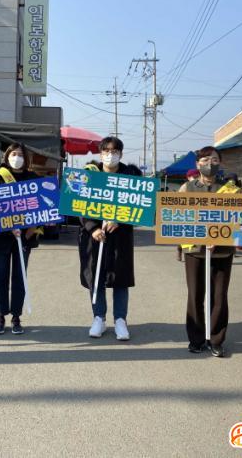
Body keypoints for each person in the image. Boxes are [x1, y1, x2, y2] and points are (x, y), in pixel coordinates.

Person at [79, 136, 141, 341]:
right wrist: (92, 228)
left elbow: (140, 205)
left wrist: (121, 219)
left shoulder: (131, 176)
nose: (110, 155)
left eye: (114, 151)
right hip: (95, 237)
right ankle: (99, 317)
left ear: (121, 154)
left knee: (120, 278)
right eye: (106, 151)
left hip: (120, 236)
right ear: (100, 154)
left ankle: (120, 320)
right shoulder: (89, 175)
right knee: (96, 276)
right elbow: (78, 204)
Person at [179, 146, 237, 357]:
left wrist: (219, 237)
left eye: (213, 159)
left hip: (222, 251)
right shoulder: (186, 188)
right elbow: (178, 217)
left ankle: (216, 340)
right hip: (194, 250)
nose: (209, 164)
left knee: (219, 296)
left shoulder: (231, 190)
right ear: (197, 164)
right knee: (195, 295)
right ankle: (196, 339)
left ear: (220, 163)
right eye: (204, 160)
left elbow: (240, 220)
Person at [0, 143, 41, 335]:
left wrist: (31, 229)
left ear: (26, 159)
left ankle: (16, 317)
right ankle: (0, 316)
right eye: (14, 154)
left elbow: (41, 206)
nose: (17, 158)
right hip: (1, 237)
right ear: (7, 156)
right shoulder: (0, 177)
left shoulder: (33, 178)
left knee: (20, 277)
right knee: (0, 277)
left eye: (21, 155)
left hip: (24, 236)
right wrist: (9, 226)